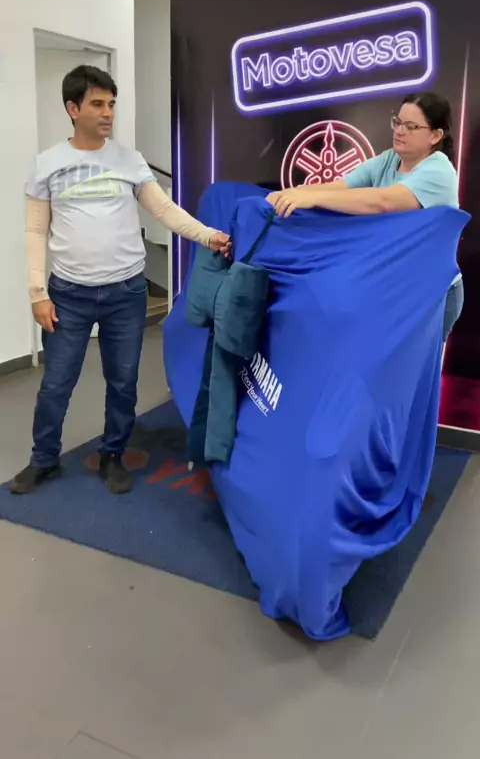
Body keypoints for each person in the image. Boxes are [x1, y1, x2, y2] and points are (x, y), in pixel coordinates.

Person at [10, 65, 231, 496]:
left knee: (123, 381)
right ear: (73, 109)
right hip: (67, 295)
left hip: (126, 293)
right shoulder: (48, 164)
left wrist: (208, 235)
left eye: (111, 103)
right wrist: (37, 293)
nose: (108, 112)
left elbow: (164, 210)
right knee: (56, 384)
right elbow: (35, 230)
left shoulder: (129, 161)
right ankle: (44, 460)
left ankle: (112, 455)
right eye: (97, 104)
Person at [267, 91, 463, 343]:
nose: (399, 131)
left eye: (411, 126)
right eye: (398, 122)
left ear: (435, 136)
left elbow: (383, 202)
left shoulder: (438, 171)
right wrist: (289, 194)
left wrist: (313, 199)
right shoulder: (388, 160)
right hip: (397, 289)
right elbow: (340, 187)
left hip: (432, 292)